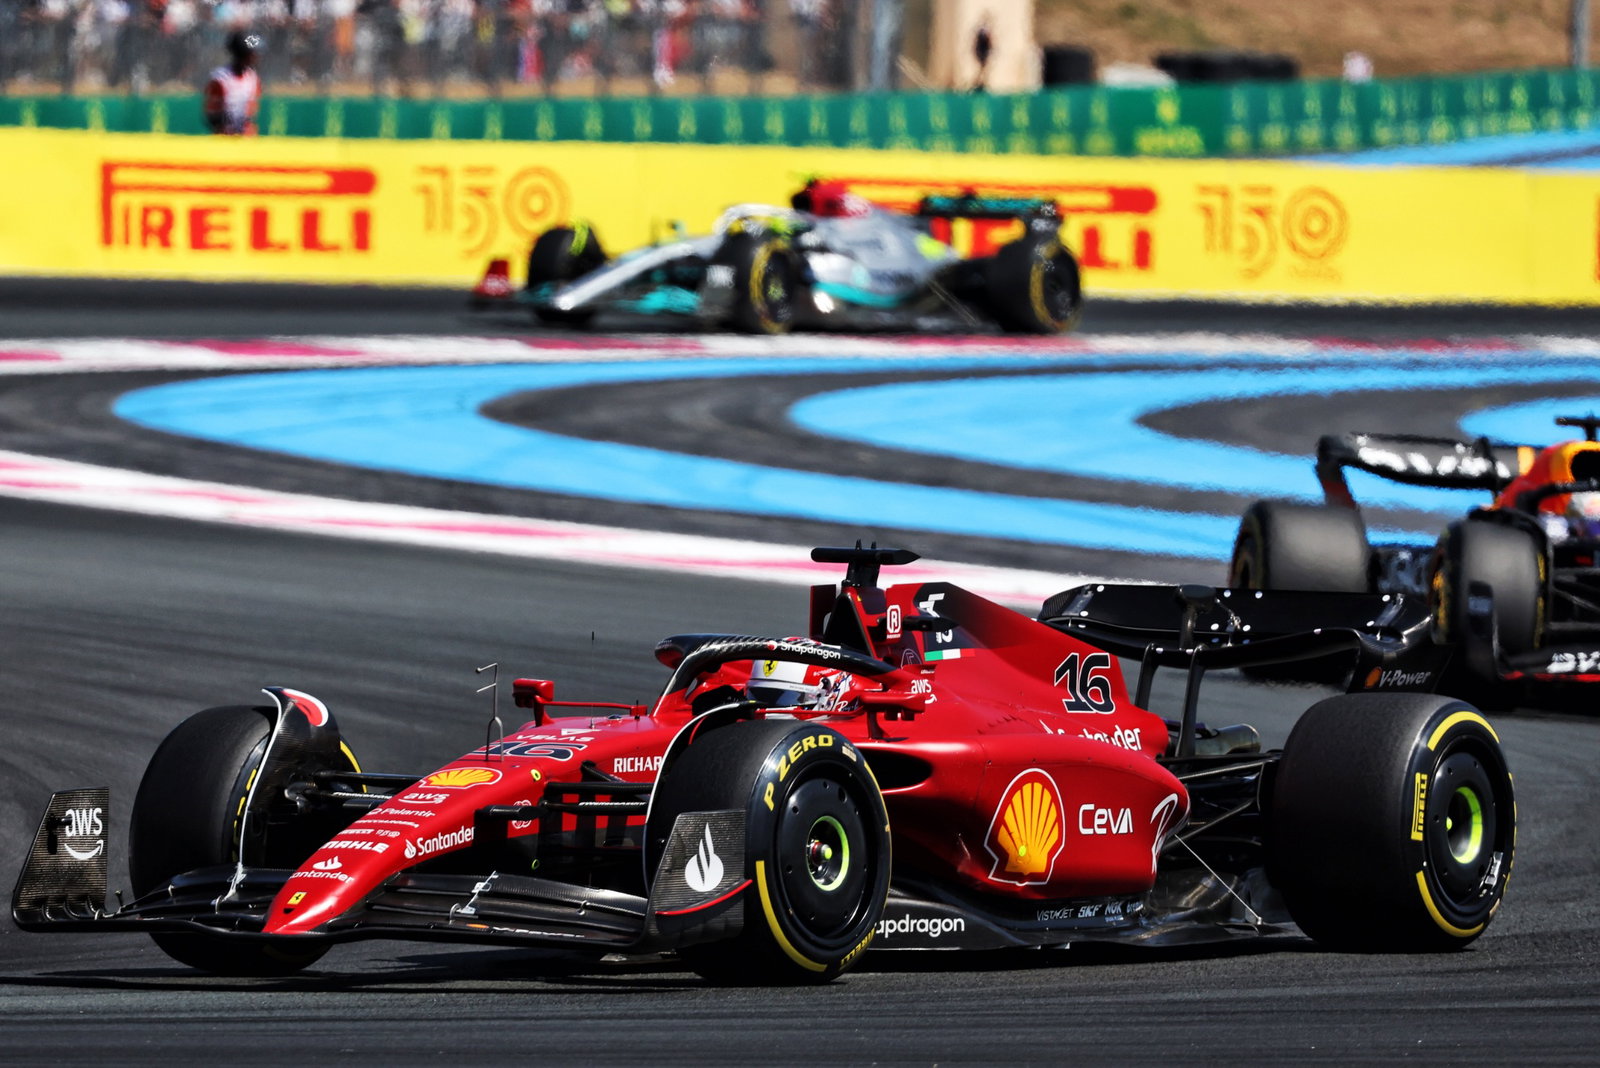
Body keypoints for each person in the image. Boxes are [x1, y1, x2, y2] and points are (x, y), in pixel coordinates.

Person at [204, 32, 262, 135]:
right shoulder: (221, 78)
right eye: (252, 53)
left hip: (247, 137)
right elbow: (212, 113)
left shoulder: (252, 78)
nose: (256, 56)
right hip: (226, 138)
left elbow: (253, 110)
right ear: (244, 54)